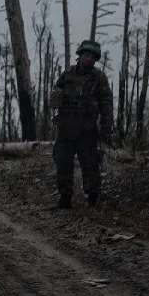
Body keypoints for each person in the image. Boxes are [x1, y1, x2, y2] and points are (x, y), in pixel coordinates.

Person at [50, 39, 114, 209]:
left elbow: (106, 105)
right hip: (66, 127)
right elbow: (55, 95)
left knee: (90, 164)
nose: (89, 59)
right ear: (80, 55)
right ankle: (65, 197)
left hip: (87, 129)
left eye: (92, 57)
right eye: (86, 55)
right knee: (63, 162)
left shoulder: (99, 78)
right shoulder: (68, 74)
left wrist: (106, 128)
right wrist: (56, 109)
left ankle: (92, 197)